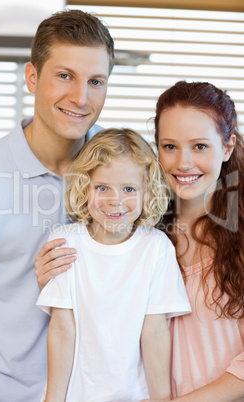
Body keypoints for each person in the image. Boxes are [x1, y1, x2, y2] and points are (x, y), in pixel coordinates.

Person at [0, 9, 114, 402]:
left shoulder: (122, 168)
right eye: (65, 76)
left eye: (96, 81)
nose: (81, 98)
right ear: (32, 78)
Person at [36, 128, 191, 401]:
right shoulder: (65, 241)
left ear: (148, 192)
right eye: (102, 187)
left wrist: (163, 399)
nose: (114, 200)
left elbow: (154, 331)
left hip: (136, 395)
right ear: (85, 187)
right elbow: (62, 329)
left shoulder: (156, 248)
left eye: (129, 189)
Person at [141, 81, 244, 401]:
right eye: (170, 146)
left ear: (227, 146)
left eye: (199, 146)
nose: (183, 163)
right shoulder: (140, 234)